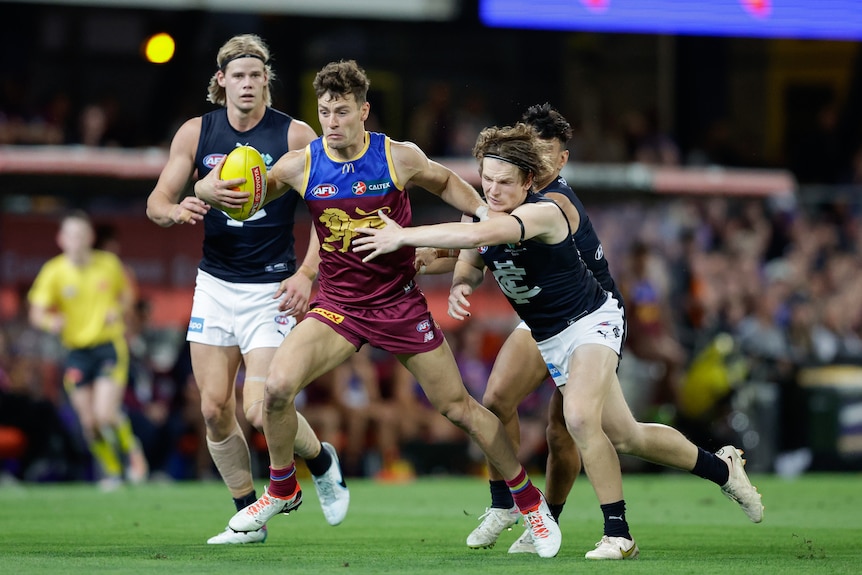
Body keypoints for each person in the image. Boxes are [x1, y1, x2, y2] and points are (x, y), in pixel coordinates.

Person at [194, 59, 563, 558]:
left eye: (342, 111)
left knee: (461, 410)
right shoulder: (301, 163)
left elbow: (446, 183)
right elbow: (243, 194)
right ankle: (283, 489)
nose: (331, 122)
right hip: (339, 307)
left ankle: (531, 504)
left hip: (397, 303)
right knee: (276, 389)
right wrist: (204, 190)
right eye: (324, 111)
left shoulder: (397, 156)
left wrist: (484, 215)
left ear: (364, 111)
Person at [354, 122, 765, 559]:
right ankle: (721, 469)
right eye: (486, 179)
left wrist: (403, 234)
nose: (491, 190)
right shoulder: (482, 209)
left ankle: (618, 534)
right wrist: (455, 281)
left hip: (589, 321)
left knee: (580, 421)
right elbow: (470, 256)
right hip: (544, 329)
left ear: (528, 180)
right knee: (611, 432)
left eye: (503, 182)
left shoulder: (545, 210)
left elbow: (478, 236)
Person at [145, 34, 349, 544]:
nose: (248, 84)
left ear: (267, 82)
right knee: (214, 409)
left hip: (271, 289)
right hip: (214, 284)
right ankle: (247, 512)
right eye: (238, 75)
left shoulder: (296, 135)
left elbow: (334, 215)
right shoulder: (197, 132)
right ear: (222, 81)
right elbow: (157, 202)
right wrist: (186, 200)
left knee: (260, 409)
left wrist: (306, 274)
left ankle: (321, 461)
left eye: (256, 75)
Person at [27, 211, 143, 489]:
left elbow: (128, 295)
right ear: (61, 239)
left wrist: (119, 310)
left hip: (108, 345)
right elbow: (36, 312)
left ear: (90, 237)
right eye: (71, 235)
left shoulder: (109, 264)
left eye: (81, 235)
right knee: (89, 421)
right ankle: (112, 471)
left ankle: (134, 456)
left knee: (105, 413)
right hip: (76, 351)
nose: (77, 241)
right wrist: (50, 321)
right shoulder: (54, 271)